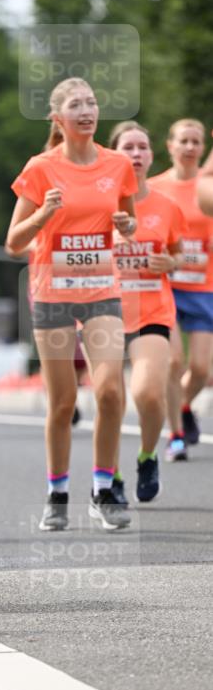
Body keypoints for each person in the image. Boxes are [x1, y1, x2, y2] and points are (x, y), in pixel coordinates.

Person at [6, 77, 138, 532]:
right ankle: (57, 491)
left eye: (92, 102)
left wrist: (126, 227)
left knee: (110, 391)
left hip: (102, 290)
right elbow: (13, 241)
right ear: (58, 119)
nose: (87, 110)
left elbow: (125, 222)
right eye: (76, 104)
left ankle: (103, 489)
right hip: (53, 294)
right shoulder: (41, 168)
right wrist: (44, 213)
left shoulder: (119, 164)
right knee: (62, 402)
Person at [108, 122, 184, 502]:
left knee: (148, 394)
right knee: (110, 400)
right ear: (113, 155)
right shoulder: (98, 204)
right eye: (128, 147)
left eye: (142, 147)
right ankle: (112, 477)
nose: (136, 154)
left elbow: (179, 253)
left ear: (152, 155)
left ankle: (148, 454)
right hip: (102, 312)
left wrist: (167, 262)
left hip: (152, 310)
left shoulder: (167, 206)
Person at [149, 119, 213, 461]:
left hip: (204, 284)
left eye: (196, 141)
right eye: (183, 141)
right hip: (165, 285)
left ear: (203, 148)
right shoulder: (154, 187)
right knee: (173, 361)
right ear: (170, 145)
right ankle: (174, 434)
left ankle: (185, 404)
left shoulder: (209, 186)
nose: (189, 147)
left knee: (202, 369)